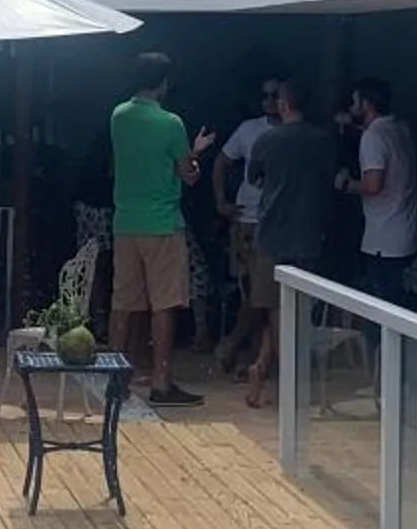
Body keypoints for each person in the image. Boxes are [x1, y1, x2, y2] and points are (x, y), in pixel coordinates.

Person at [108, 51, 215, 406]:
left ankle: (114, 377)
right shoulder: (171, 123)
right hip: (163, 222)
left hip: (126, 221)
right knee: (163, 304)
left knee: (123, 302)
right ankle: (161, 380)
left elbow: (140, 162)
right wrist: (196, 152)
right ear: (164, 83)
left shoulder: (118, 116)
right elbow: (188, 175)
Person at [243, 81, 337, 407]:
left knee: (274, 309)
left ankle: (286, 382)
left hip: (272, 234)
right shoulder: (323, 141)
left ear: (283, 104)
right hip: (309, 234)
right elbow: (332, 180)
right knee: (295, 310)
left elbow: (252, 178)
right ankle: (265, 369)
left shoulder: (268, 139)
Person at [211, 73, 284, 375]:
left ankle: (243, 353)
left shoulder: (297, 132)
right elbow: (221, 162)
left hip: (279, 222)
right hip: (247, 220)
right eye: (264, 96)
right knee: (253, 293)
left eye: (274, 95)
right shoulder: (249, 129)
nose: (268, 102)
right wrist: (220, 202)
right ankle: (243, 352)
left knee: (268, 297)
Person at [344, 76, 417, 306]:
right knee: (405, 305)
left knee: (384, 308)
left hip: (383, 241)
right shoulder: (401, 128)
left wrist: (346, 184)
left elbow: (373, 185)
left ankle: (380, 344)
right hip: (407, 234)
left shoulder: (372, 137)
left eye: (353, 102)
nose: (350, 106)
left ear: (366, 104)